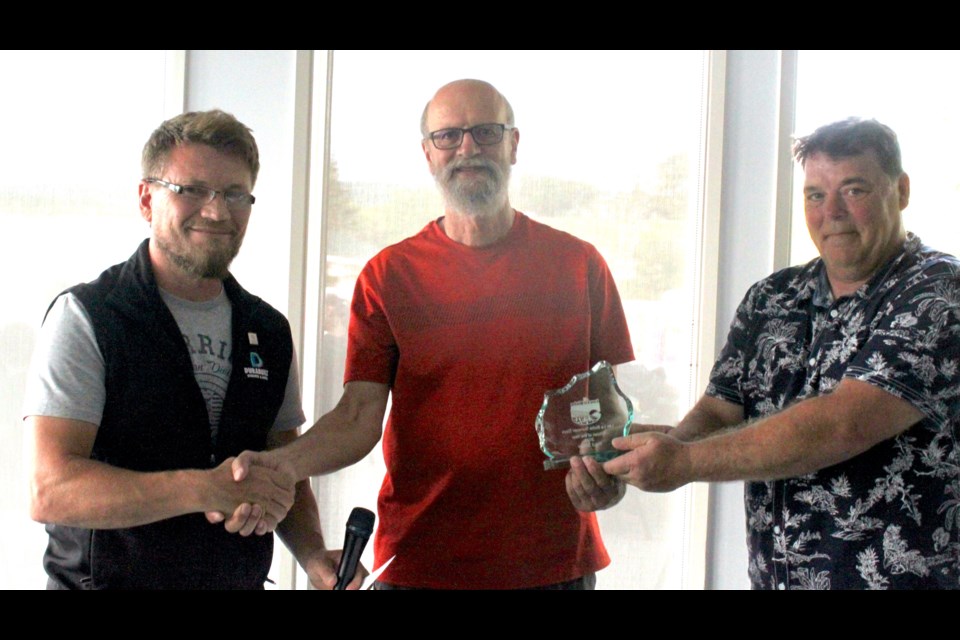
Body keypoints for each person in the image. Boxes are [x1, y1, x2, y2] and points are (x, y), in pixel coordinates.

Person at [233, 79, 635, 589]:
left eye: (486, 132)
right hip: (419, 563)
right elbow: (358, 417)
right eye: (448, 136)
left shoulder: (580, 266)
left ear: (514, 144)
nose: (468, 148)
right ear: (428, 153)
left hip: (553, 563)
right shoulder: (388, 276)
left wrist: (609, 479)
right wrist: (278, 467)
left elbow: (605, 412)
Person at [594, 117, 960, 589]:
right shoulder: (772, 297)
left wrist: (680, 462)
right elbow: (720, 412)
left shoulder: (938, 294)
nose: (833, 212)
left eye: (854, 190)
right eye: (815, 195)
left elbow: (842, 424)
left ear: (902, 191)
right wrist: (635, 457)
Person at [23, 109, 352, 589]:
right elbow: (50, 490)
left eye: (235, 194)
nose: (217, 211)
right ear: (146, 199)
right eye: (191, 190)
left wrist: (314, 556)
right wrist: (205, 489)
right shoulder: (88, 317)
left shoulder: (268, 330)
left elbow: (283, 471)